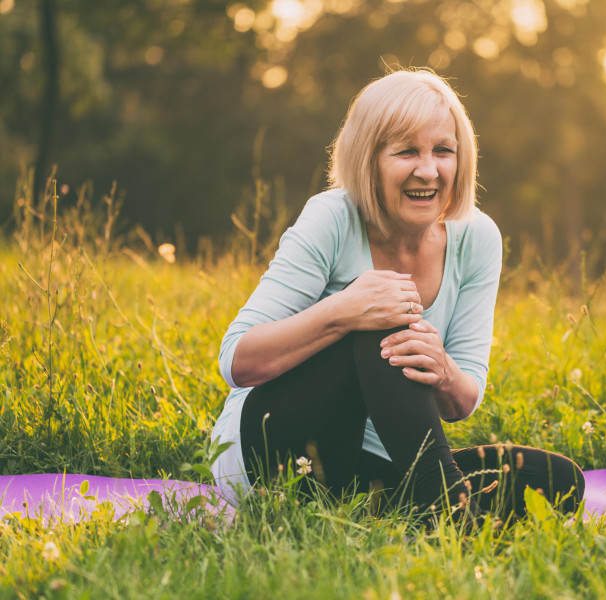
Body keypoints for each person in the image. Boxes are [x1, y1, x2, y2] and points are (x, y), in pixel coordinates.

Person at [210, 69, 584, 522]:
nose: (428, 170)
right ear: (369, 161)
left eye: (443, 151)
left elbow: (461, 403)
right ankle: (451, 520)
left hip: (379, 462)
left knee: (557, 480)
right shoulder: (331, 217)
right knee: (384, 316)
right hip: (273, 451)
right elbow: (237, 361)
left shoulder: (477, 238)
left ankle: (415, 506)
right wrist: (344, 312)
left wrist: (443, 368)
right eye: (406, 151)